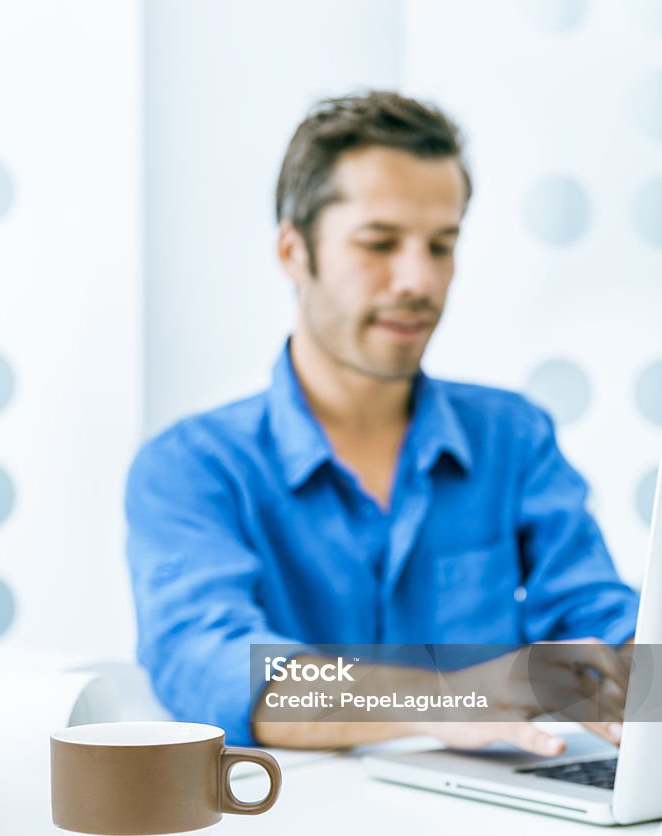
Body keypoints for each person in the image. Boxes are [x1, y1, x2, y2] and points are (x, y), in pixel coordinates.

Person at [125, 91, 637, 755]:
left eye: (441, 245)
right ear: (293, 252)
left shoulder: (514, 438)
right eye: (379, 243)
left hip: (504, 827)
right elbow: (217, 661)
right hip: (287, 832)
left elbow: (601, 626)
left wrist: (629, 673)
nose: (418, 280)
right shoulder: (193, 467)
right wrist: (445, 698)